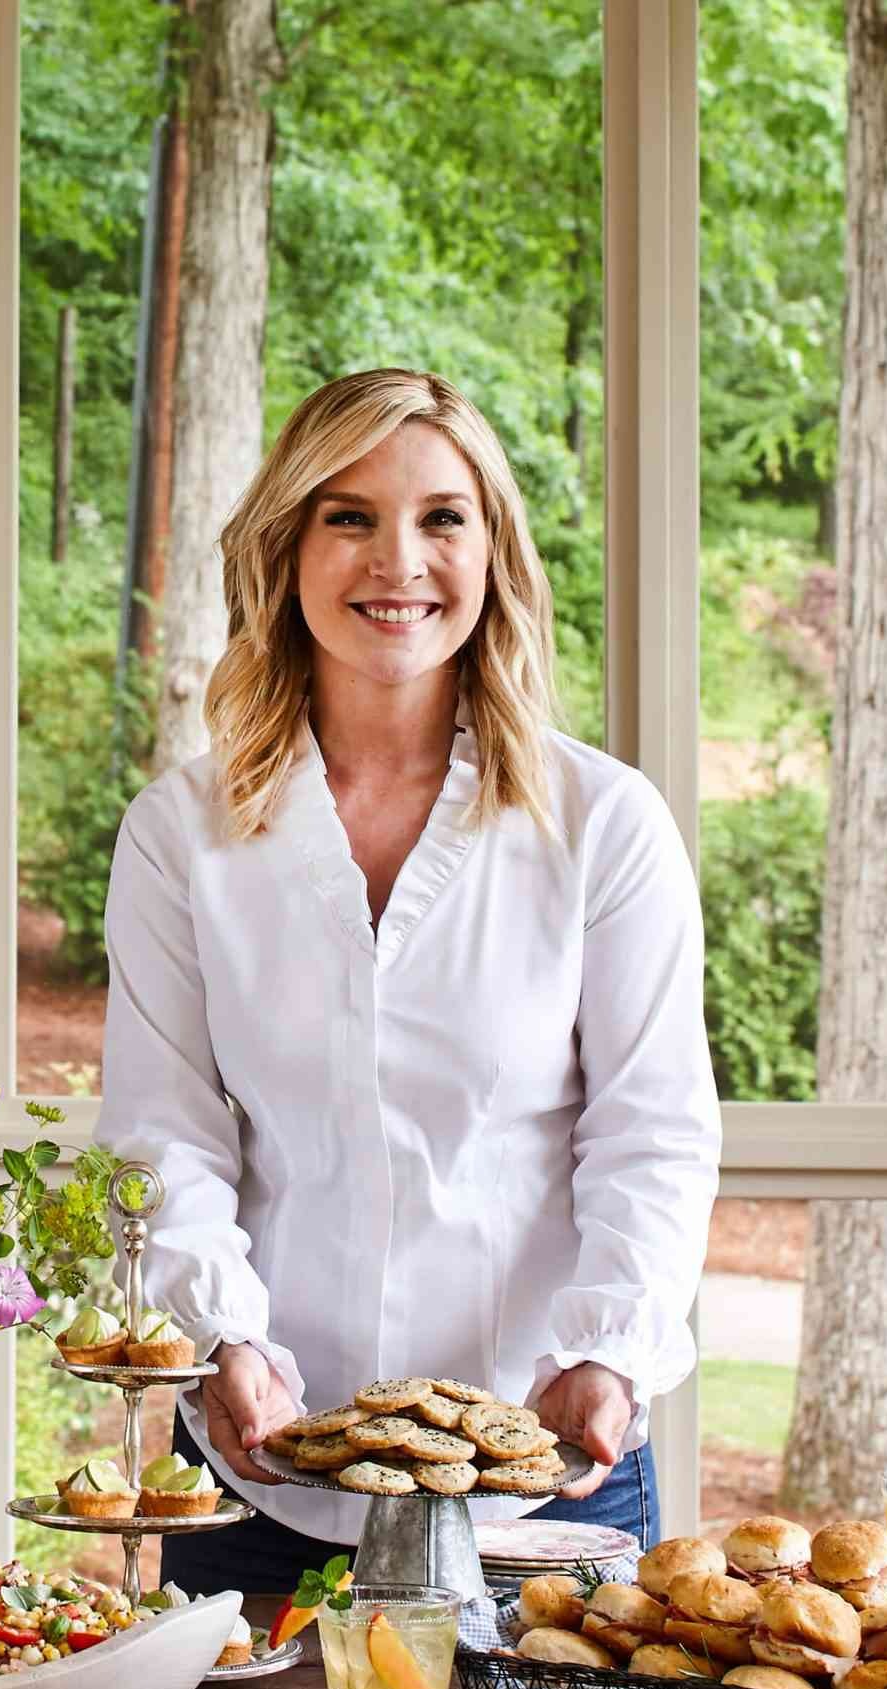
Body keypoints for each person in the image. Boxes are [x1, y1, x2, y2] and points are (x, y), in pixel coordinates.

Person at [94, 368, 720, 1592]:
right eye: (349, 516)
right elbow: (164, 1133)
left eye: (442, 517)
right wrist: (225, 1336)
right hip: (263, 1473)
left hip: (544, 1478)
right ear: (286, 546)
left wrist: (607, 1347)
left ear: (493, 552)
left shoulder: (605, 822)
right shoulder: (184, 832)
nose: (400, 560)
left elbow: (653, 1129)